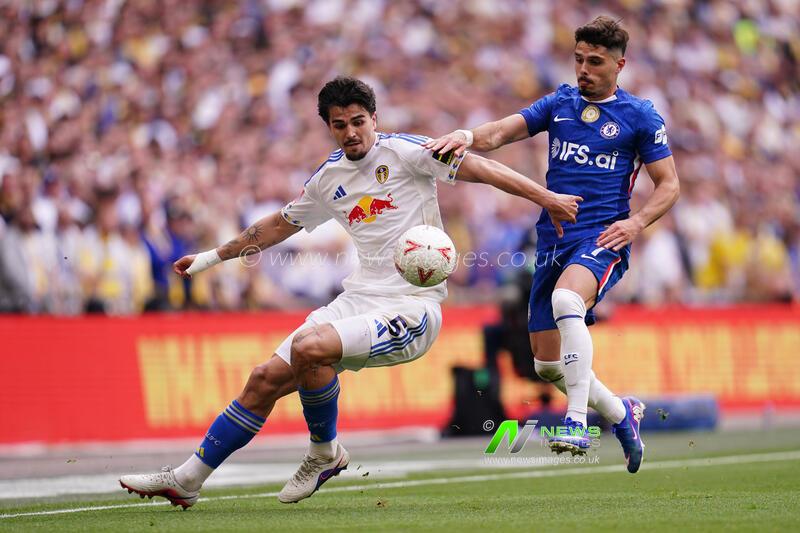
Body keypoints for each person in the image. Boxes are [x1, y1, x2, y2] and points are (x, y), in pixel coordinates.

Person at [119, 76, 582, 508]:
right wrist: (209, 258)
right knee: (264, 379)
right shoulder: (328, 180)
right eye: (339, 125)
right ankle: (188, 480)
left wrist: (547, 198)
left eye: (359, 122)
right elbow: (278, 225)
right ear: (329, 127)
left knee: (309, 346)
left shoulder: (408, 152)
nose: (350, 132)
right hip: (359, 300)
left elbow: (481, 169)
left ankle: (324, 451)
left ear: (374, 120)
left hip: (414, 308)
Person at [425, 16, 680, 473]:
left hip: (602, 236)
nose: (583, 68)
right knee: (547, 366)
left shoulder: (640, 116)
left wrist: (637, 223)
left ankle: (577, 424)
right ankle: (624, 415)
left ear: (619, 64)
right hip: (552, 240)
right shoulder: (560, 103)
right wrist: (465, 136)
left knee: (567, 300)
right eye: (579, 58)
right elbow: (501, 132)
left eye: (595, 61)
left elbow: (669, 185)